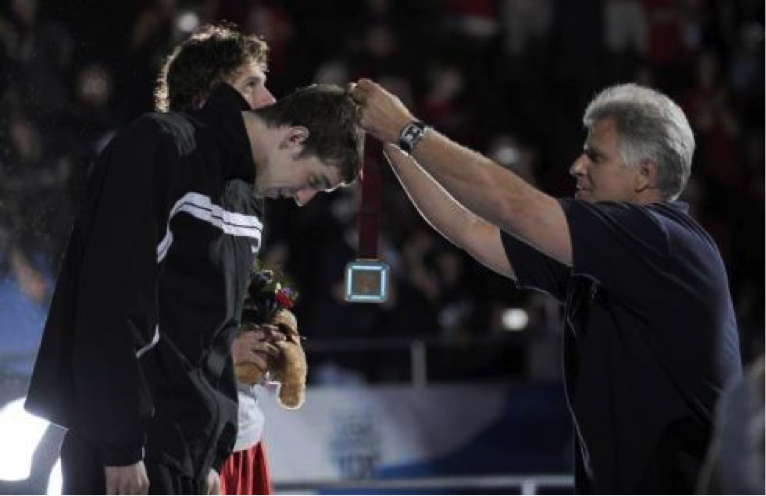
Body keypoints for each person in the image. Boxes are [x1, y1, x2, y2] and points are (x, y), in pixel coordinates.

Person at [350, 79, 742, 494]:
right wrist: (390, 141)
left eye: (595, 156)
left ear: (645, 174)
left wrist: (406, 129)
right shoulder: (605, 255)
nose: (577, 166)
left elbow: (514, 208)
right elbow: (468, 227)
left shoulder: (663, 242)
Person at [24, 81, 363, 496]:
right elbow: (110, 301)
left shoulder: (245, 196)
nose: (303, 198)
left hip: (187, 458)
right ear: (295, 137)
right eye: (314, 179)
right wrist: (120, 447)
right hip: (132, 453)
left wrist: (209, 454)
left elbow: (214, 331)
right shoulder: (163, 145)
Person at [155, 22, 282, 496]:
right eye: (252, 84)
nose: (268, 100)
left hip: (241, 433)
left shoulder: (246, 189)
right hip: (181, 440)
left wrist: (263, 332)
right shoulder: (166, 173)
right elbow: (135, 316)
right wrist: (221, 357)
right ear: (209, 96)